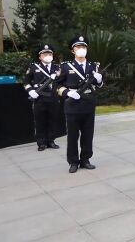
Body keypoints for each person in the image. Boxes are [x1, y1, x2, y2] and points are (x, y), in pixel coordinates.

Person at [55, 35, 103, 173]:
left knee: (88, 134)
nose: (81, 49)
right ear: (72, 50)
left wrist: (99, 80)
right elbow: (56, 85)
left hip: (88, 103)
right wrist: (67, 93)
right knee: (72, 135)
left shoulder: (93, 66)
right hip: (72, 105)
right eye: (78, 47)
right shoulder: (65, 66)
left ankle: (85, 159)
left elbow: (98, 85)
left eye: (83, 47)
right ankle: (73, 162)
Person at [24, 44, 61, 151]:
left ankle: (51, 140)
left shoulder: (57, 68)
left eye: (50, 54)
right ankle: (41, 142)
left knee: (52, 120)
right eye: (45, 54)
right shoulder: (33, 67)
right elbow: (26, 81)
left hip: (53, 98)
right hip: (40, 99)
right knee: (40, 121)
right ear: (40, 56)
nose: (47, 55)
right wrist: (30, 91)